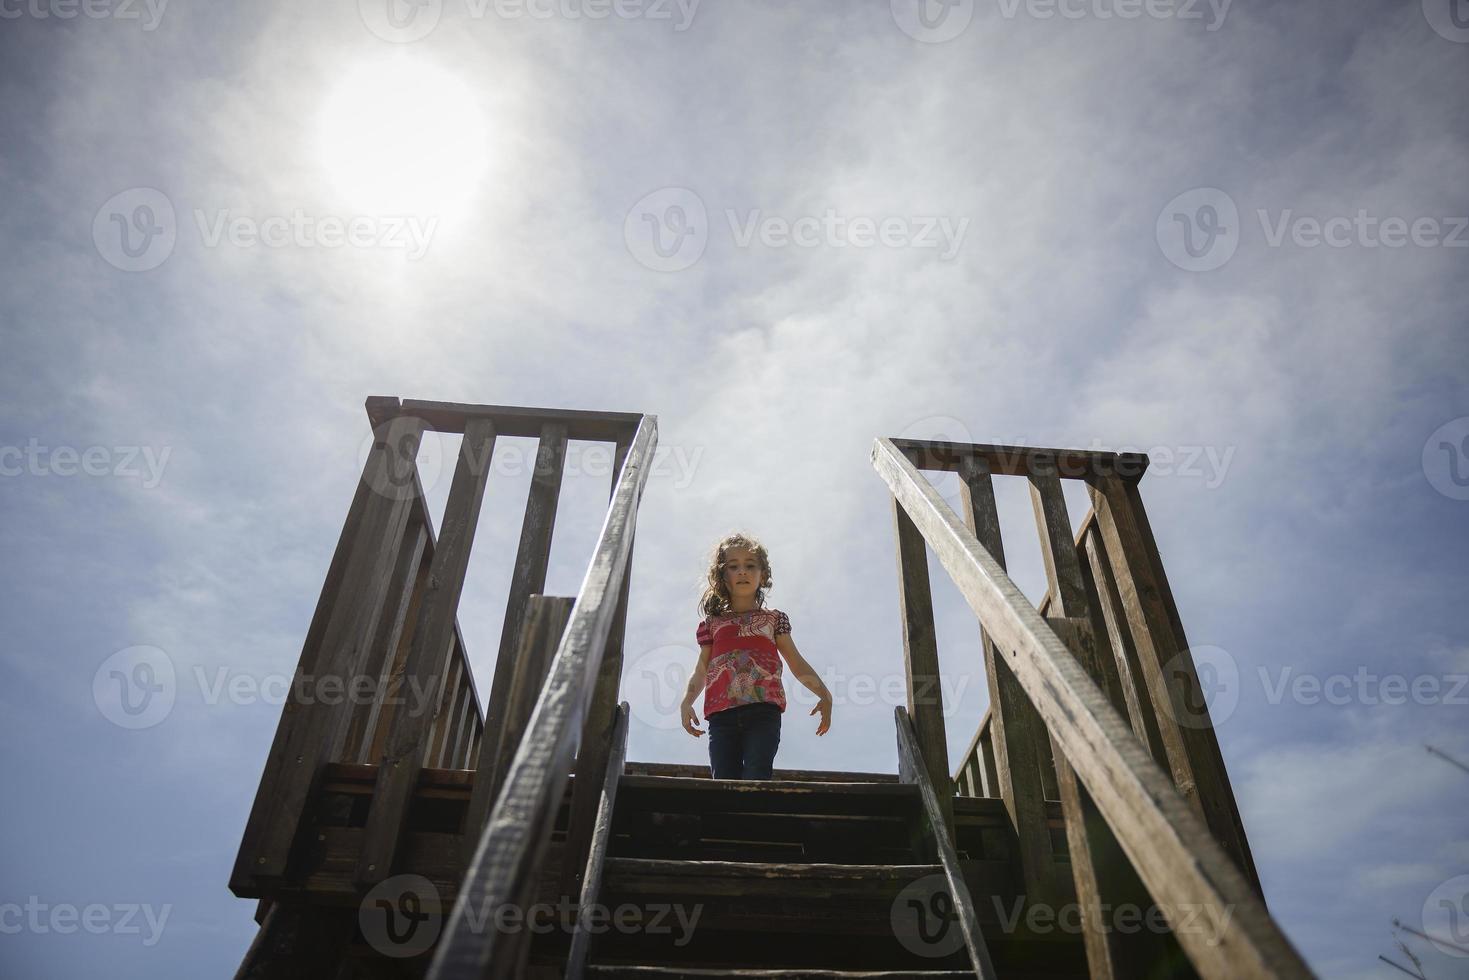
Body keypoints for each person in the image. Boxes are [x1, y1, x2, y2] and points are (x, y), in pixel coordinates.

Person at [679, 532, 833, 780]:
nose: (742, 572)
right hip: (721, 716)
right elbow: (701, 669)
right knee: (724, 781)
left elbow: (795, 661)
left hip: (763, 712)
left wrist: (824, 694)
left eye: (750, 566)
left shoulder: (774, 620)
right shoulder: (712, 624)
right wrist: (687, 701)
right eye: (733, 566)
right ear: (723, 577)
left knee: (757, 777)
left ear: (763, 575)